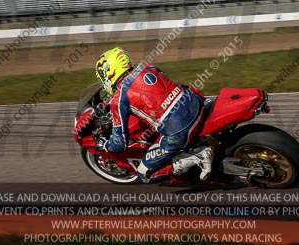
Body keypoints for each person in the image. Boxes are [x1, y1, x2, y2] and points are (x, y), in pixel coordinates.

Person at [87, 47, 213, 182]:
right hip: (197, 103)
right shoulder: (148, 67)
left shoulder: (119, 99)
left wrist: (104, 145)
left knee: (143, 175)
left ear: (109, 73)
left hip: (180, 131)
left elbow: (120, 144)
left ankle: (197, 156)